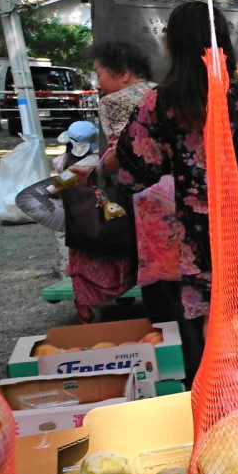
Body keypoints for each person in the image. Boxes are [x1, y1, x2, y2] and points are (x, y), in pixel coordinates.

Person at [103, 2, 238, 382]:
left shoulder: (161, 103)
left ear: (173, 46)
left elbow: (137, 169)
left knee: (217, 313)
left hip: (202, 231)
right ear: (224, 42)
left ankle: (227, 397)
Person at [63, 39, 158, 322]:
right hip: (172, 192)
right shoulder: (160, 92)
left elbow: (122, 151)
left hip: (137, 195)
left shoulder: (114, 101)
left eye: (100, 73)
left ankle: (90, 304)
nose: (98, 83)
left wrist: (95, 172)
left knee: (87, 238)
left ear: (124, 73)